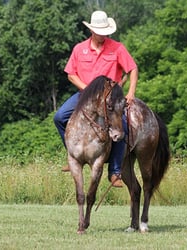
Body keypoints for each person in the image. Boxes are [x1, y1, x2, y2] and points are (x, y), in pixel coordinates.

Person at [54, 10, 138, 188]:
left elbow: (133, 68)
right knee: (59, 117)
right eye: (100, 31)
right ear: (92, 31)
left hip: (111, 99)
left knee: (122, 126)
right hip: (84, 96)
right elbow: (71, 74)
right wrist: (88, 90)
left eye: (105, 31)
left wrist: (130, 92)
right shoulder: (79, 49)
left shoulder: (117, 48)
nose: (104, 34)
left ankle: (115, 172)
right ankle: (72, 156)